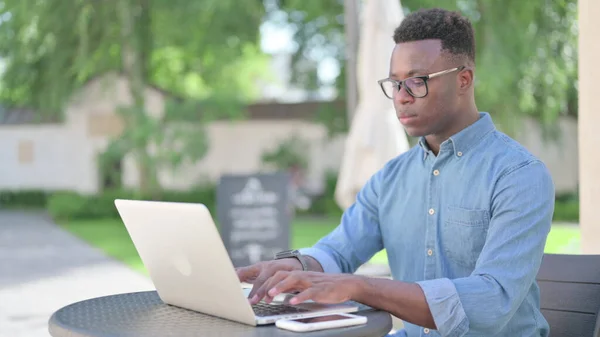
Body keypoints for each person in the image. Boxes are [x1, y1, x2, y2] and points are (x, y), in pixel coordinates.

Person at [236, 7, 555, 337]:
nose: (401, 98)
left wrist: (361, 287)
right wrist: (296, 267)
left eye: (417, 82)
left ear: (464, 79)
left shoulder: (518, 175)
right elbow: (337, 251)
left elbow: (491, 303)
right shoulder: (390, 179)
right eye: (395, 83)